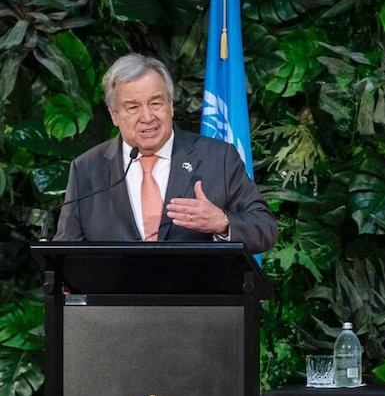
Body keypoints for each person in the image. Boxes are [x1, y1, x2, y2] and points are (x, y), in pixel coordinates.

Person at [54, 53, 277, 253]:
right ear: (114, 114)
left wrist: (222, 222)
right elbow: (65, 250)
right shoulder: (87, 168)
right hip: (116, 299)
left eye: (156, 103)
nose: (147, 117)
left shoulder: (218, 158)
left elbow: (265, 229)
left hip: (197, 297)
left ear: (171, 105)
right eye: (133, 107)